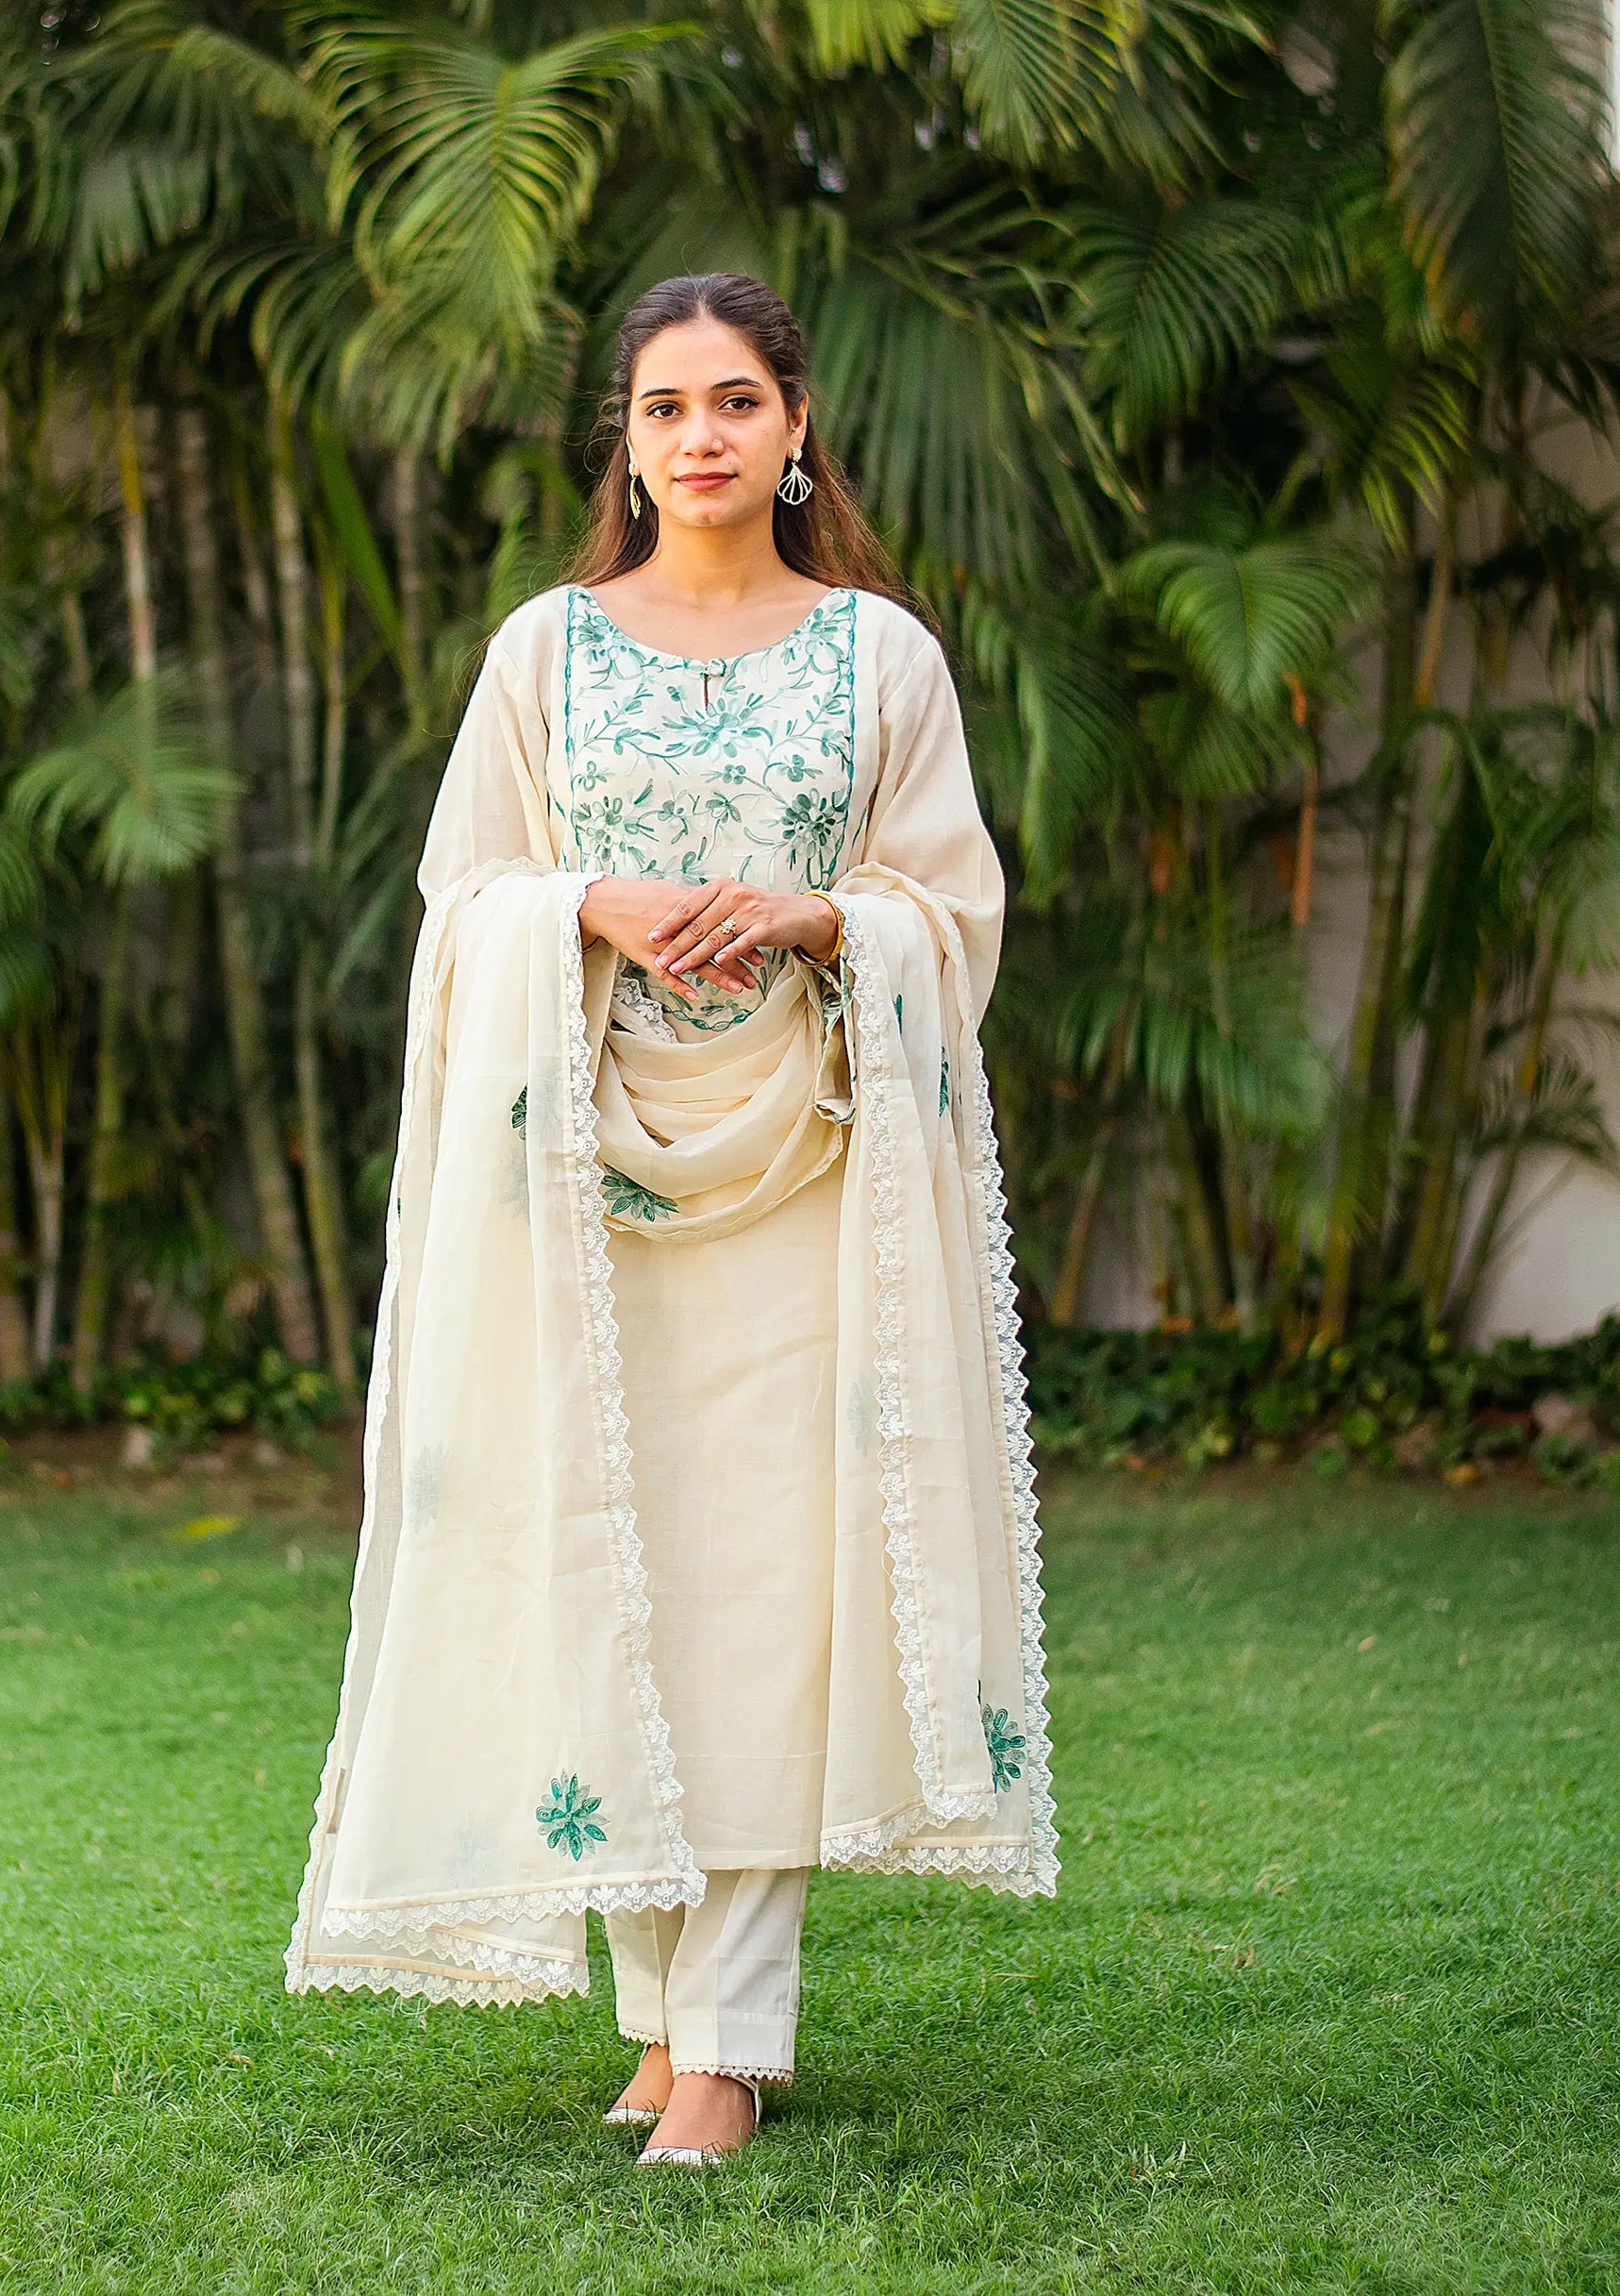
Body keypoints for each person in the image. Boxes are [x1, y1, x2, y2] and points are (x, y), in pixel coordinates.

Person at [285, 272, 1056, 2167]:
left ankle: (724, 2034)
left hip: (806, 1171)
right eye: (661, 409)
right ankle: (659, 2014)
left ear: (797, 429)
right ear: (622, 445)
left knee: (766, 1602)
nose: (698, 438)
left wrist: (820, 917)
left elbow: (948, 912)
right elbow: (463, 887)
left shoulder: (882, 659)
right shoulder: (544, 651)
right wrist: (592, 906)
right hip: (589, 1174)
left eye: (733, 401)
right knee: (608, 1567)